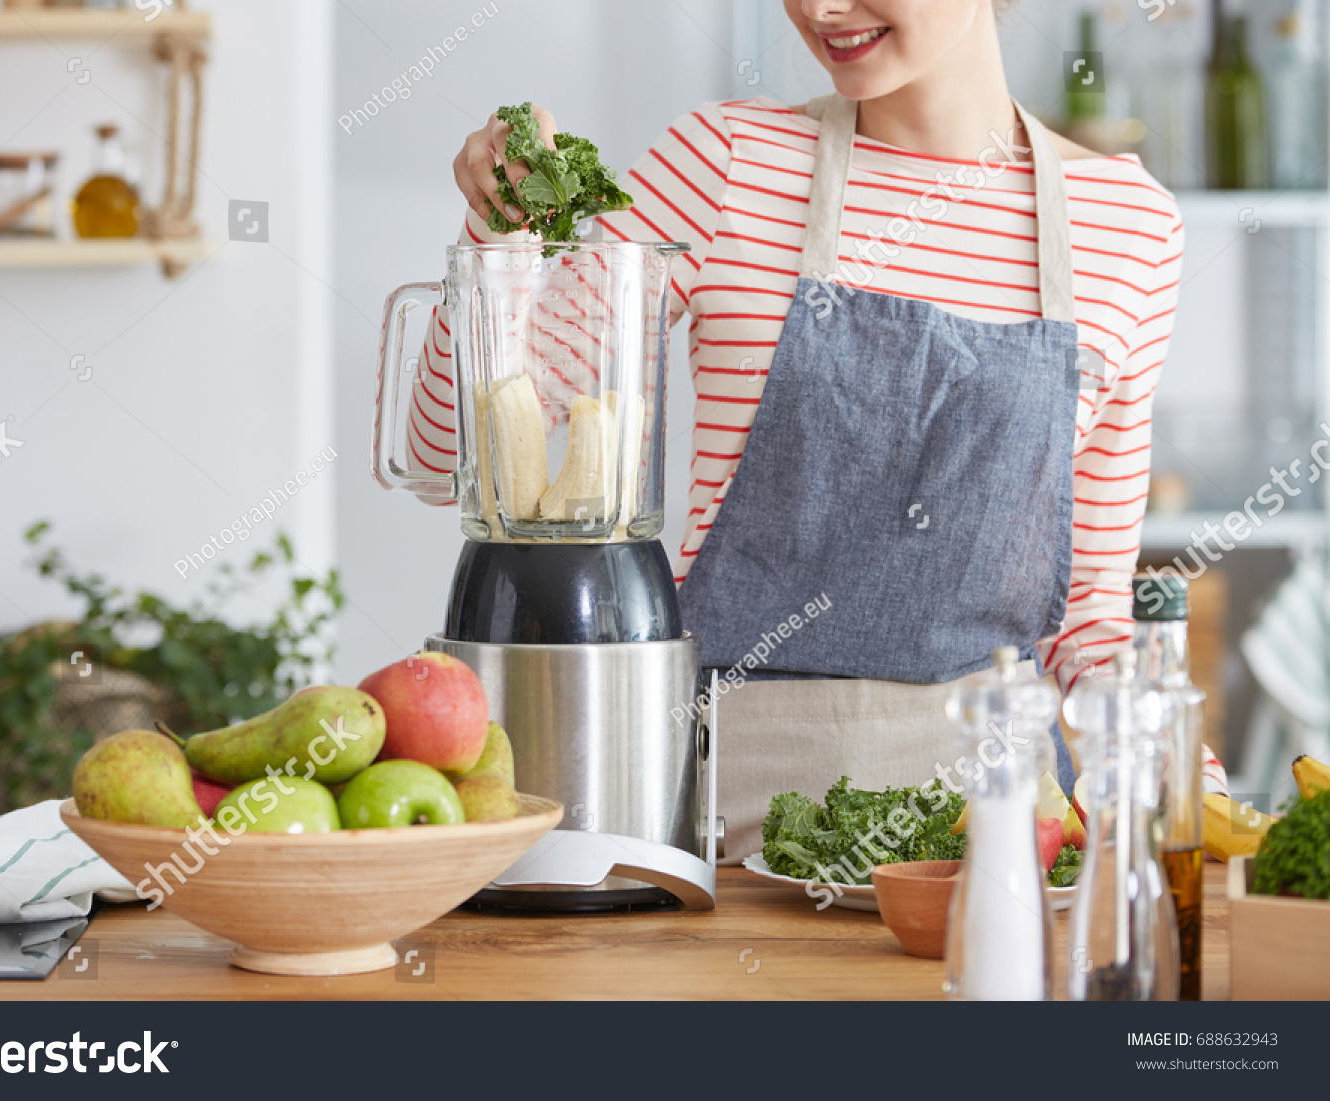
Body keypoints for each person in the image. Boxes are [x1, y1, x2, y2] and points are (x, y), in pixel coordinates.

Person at [421, 0, 1223, 862]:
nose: (821, 9)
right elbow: (446, 459)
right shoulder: (725, 166)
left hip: (994, 854)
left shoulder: (1129, 228)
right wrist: (499, 233)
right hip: (715, 838)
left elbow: (1088, 623)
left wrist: (1197, 798)